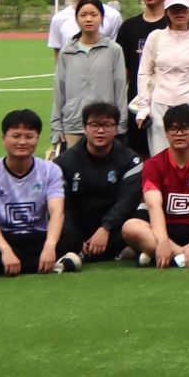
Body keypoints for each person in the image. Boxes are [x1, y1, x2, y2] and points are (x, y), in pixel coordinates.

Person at [122, 105, 189, 269]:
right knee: (130, 227)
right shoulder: (152, 164)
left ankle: (166, 257)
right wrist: (163, 240)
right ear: (166, 133)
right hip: (164, 229)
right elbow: (154, 206)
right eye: (173, 129)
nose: (179, 134)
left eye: (185, 129)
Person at [0, 108, 66, 278]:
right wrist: (5, 250)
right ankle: (49, 264)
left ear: (37, 138)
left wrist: (49, 246)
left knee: (71, 234)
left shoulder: (51, 170)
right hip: (3, 237)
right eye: (16, 136)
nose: (22, 142)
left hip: (37, 236)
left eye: (29, 136)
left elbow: (57, 211)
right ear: (3, 138)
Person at [55, 102, 142, 269]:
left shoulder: (130, 160)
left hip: (113, 228)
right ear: (84, 128)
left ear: (116, 129)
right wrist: (76, 238)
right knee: (56, 220)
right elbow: (62, 206)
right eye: (94, 125)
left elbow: (127, 201)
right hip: (80, 226)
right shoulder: (65, 162)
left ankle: (90, 253)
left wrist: (105, 228)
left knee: (141, 217)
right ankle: (87, 249)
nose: (100, 131)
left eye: (107, 125)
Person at [135, 0, 189, 155]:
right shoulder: (155, 37)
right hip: (159, 107)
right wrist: (143, 107)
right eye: (174, 9)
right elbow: (144, 73)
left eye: (183, 8)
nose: (179, 13)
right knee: (160, 158)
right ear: (166, 12)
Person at [51, 0, 128, 156]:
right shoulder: (67, 51)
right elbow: (59, 89)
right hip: (73, 124)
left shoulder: (113, 50)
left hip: (104, 126)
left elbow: (120, 88)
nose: (88, 19)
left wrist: (120, 125)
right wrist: (56, 125)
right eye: (83, 15)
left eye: (94, 14)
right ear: (76, 18)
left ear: (102, 17)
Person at [115, 0, 171, 93]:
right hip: (136, 98)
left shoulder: (172, 26)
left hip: (166, 98)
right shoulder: (128, 26)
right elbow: (123, 69)